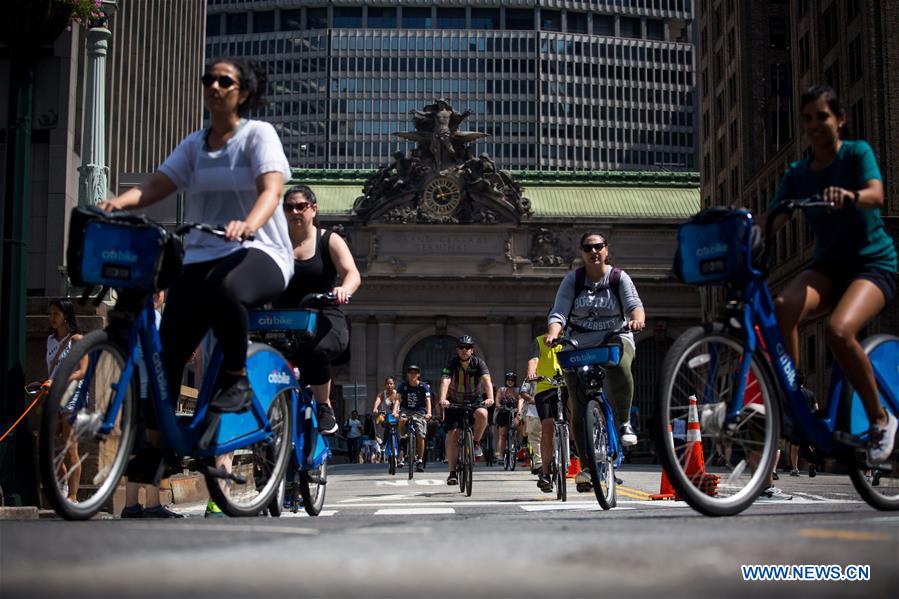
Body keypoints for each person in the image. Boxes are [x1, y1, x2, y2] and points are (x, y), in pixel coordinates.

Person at [99, 58, 294, 516]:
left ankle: (236, 378)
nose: (213, 86)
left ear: (242, 92)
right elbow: (156, 186)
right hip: (203, 256)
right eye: (208, 79)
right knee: (164, 360)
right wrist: (117, 202)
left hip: (260, 252)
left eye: (224, 81)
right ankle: (152, 459)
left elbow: (272, 189)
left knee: (226, 290)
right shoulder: (195, 144)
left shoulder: (257, 135)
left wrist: (249, 223)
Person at [765, 84, 897, 466]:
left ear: (840, 119)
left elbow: (876, 193)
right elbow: (774, 218)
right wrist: (744, 228)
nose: (814, 125)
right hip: (828, 268)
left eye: (822, 116)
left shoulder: (856, 155)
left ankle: (879, 419)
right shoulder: (798, 173)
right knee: (783, 306)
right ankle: (794, 400)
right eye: (807, 118)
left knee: (838, 331)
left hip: (873, 265)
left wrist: (851, 196)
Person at [545, 232, 645, 493]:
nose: (594, 251)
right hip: (580, 342)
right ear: (582, 253)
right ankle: (588, 467)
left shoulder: (618, 278)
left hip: (614, 337)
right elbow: (559, 312)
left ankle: (624, 423)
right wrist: (554, 334)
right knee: (579, 405)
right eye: (588, 247)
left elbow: (635, 306)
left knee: (620, 366)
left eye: (598, 246)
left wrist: (636, 319)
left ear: (606, 250)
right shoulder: (573, 280)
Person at [273, 184, 360, 434]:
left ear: (313, 209)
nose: (294, 212)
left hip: (322, 313)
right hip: (282, 318)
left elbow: (352, 273)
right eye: (288, 207)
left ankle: (324, 405)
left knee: (317, 347)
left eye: (300, 206)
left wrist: (344, 289)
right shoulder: (275, 241)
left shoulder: (329, 239)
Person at [121, 291, 183, 518]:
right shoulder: (155, 320)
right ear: (159, 296)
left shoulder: (131, 320)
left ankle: (130, 504)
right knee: (152, 445)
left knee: (134, 449)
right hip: (151, 391)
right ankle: (152, 503)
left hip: (132, 390)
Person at [41, 299, 84, 503]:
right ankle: (63, 482)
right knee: (44, 443)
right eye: (50, 314)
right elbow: (51, 368)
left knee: (70, 446)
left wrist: (58, 380)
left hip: (71, 394)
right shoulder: (49, 340)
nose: (52, 318)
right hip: (53, 394)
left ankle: (73, 496)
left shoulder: (76, 340)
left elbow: (83, 371)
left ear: (66, 315)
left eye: (56, 314)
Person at [437, 335, 494, 485]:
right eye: (461, 347)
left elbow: (486, 380)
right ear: (457, 350)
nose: (464, 350)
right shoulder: (452, 363)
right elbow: (445, 380)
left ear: (472, 350)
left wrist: (490, 397)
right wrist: (443, 399)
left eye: (467, 347)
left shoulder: (479, 363)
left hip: (474, 399)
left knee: (482, 413)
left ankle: (475, 442)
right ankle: (452, 472)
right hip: (454, 401)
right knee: (453, 434)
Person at [525, 335, 564, 493]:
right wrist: (532, 372)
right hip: (545, 387)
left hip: (567, 385)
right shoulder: (540, 341)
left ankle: (575, 449)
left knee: (576, 412)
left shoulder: (570, 338)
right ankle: (546, 473)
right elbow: (533, 360)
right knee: (547, 427)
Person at [394, 365, 432, 472]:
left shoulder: (424, 386)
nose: (412, 375)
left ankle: (419, 460)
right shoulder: (402, 386)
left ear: (418, 375)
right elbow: (397, 400)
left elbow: (428, 400)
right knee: (402, 420)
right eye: (410, 373)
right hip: (406, 410)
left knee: (420, 435)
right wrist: (395, 411)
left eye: (415, 373)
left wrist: (429, 413)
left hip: (419, 411)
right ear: (408, 374)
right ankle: (403, 437)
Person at [517, 376, 542, 476]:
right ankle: (539, 463)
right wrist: (532, 399)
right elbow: (522, 392)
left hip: (550, 410)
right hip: (534, 411)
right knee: (535, 439)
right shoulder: (531, 377)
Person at [494, 372, 520, 463]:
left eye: (512, 380)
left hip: (515, 412)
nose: (510, 382)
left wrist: (519, 410)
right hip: (504, 412)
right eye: (508, 380)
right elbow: (497, 401)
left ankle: (518, 447)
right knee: (502, 435)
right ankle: (501, 455)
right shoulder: (502, 390)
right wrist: (500, 406)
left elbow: (521, 400)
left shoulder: (518, 390)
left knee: (519, 425)